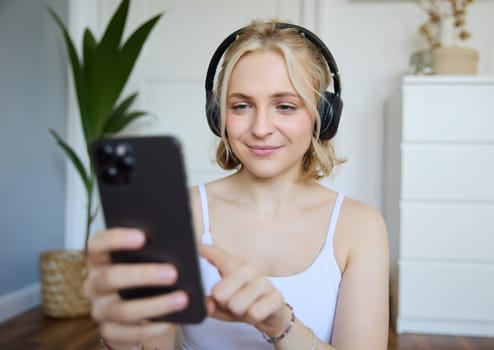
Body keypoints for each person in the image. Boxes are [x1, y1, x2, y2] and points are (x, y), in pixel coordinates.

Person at [83, 19, 389, 350]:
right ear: (218, 116)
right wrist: (120, 340)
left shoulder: (360, 226)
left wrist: (281, 325)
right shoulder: (182, 212)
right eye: (241, 106)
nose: (260, 128)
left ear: (322, 115)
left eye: (285, 106)